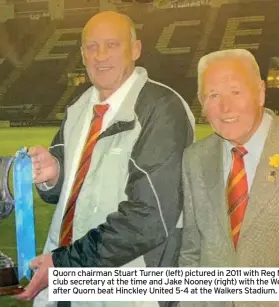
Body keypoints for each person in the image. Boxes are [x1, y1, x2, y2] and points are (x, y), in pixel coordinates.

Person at [16, 11, 196, 307]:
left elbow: (149, 217)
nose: (100, 56)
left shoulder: (162, 109)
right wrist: (54, 173)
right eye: (92, 47)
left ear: (136, 49)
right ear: (82, 55)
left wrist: (65, 264)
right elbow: (68, 188)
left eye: (112, 45)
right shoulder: (79, 108)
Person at [178, 48, 279, 307]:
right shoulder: (195, 159)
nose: (225, 107)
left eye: (235, 92)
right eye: (213, 95)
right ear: (200, 101)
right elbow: (192, 253)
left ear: (261, 92)